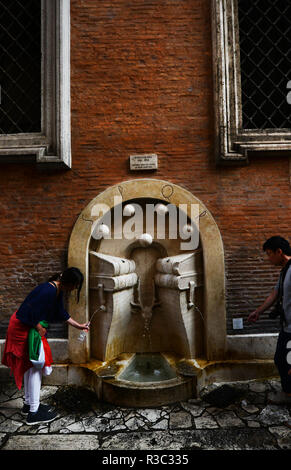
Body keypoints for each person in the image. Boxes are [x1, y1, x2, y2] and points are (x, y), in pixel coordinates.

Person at [1, 267, 89, 425]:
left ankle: (29, 406)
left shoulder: (57, 290)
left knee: (31, 366)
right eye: (76, 286)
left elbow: (61, 312)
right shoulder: (47, 291)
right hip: (22, 329)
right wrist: (38, 326)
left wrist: (79, 325)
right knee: (36, 366)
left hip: (27, 328)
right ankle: (33, 414)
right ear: (69, 283)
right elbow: (25, 310)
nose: (75, 289)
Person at [247, 236, 291, 403]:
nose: (268, 259)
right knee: (281, 360)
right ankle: (288, 394)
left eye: (269, 254)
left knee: (287, 365)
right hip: (287, 328)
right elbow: (275, 293)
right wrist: (258, 311)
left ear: (279, 252)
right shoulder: (285, 270)